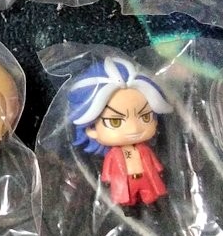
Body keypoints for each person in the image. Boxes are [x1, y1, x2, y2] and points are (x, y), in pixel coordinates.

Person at [68, 57, 173, 207]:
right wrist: (107, 179)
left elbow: (154, 163)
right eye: (115, 121)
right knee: (127, 198)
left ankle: (151, 204)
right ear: (91, 129)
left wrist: (159, 169)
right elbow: (107, 171)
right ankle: (129, 207)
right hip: (125, 183)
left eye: (145, 117)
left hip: (145, 179)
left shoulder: (144, 150)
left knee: (149, 195)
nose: (133, 129)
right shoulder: (113, 154)